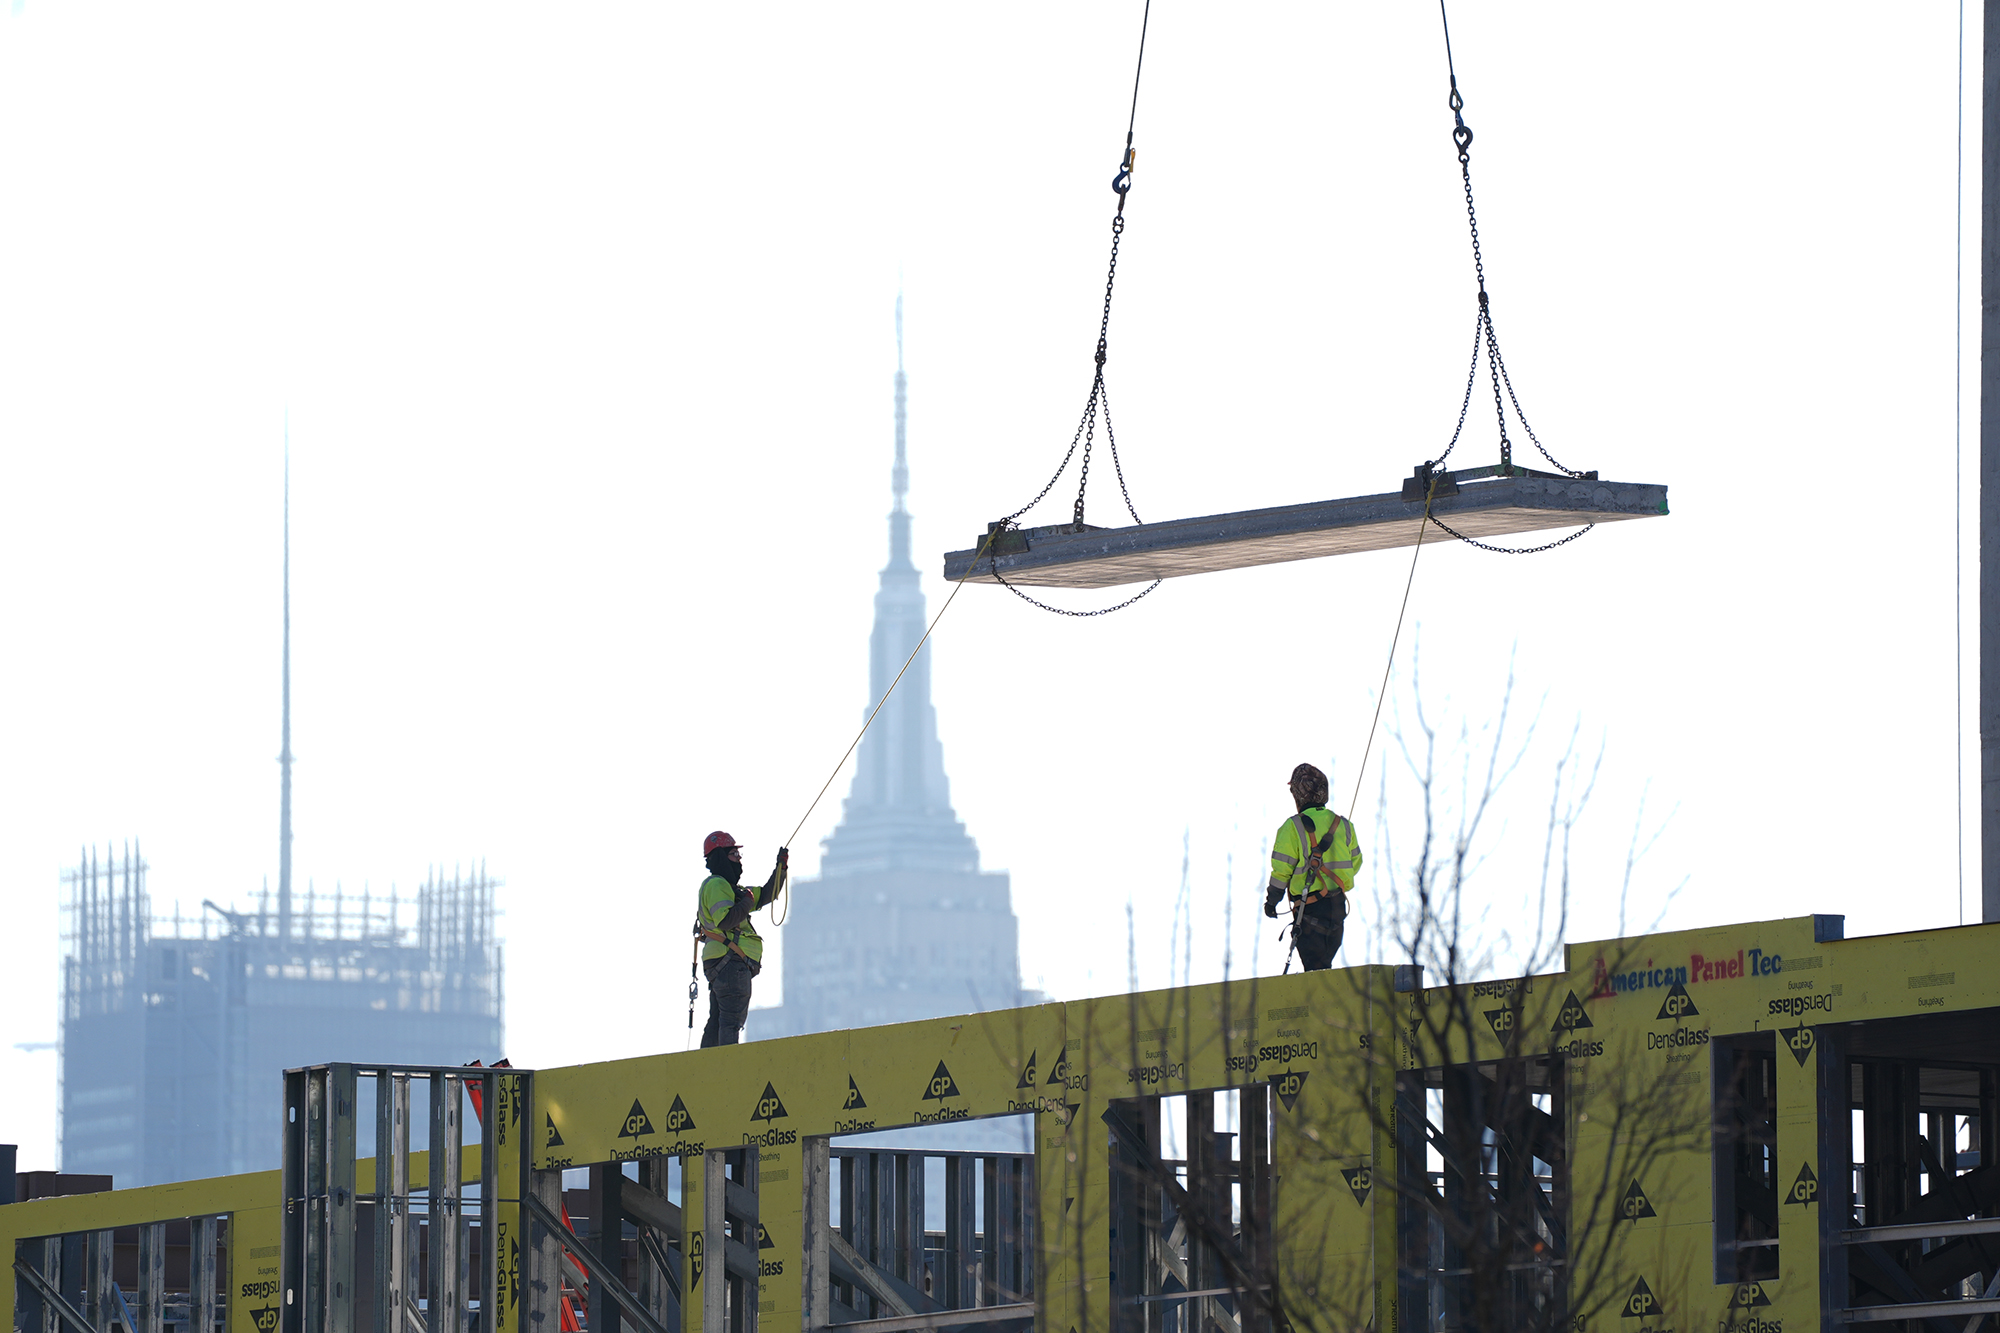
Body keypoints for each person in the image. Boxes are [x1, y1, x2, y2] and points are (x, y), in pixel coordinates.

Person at [1264, 763, 1362, 971]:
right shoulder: (1343, 825)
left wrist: (1272, 901)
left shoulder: (1292, 827)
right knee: (1325, 967)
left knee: (1315, 971)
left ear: (1298, 794)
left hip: (1310, 910)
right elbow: (1355, 863)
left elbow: (1281, 871)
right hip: (1337, 908)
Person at [695, 830, 787, 1047]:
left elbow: (766, 894)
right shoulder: (717, 885)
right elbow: (726, 920)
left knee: (718, 1019)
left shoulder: (730, 890)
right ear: (721, 856)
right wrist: (746, 902)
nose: (739, 859)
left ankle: (705, 1066)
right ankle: (727, 1065)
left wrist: (780, 869)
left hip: (723, 961)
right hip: (730, 961)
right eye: (734, 853)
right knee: (731, 1021)